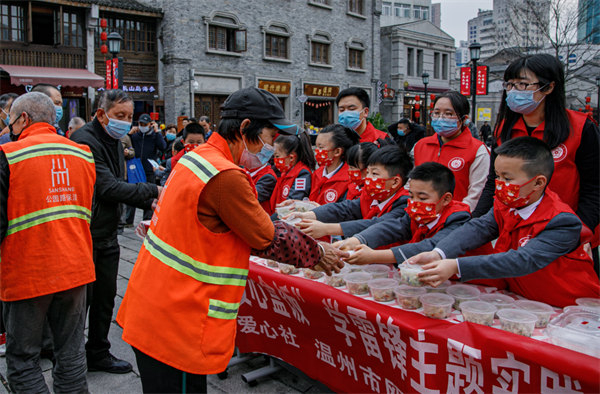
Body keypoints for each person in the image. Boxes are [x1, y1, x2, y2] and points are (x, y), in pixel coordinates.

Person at [116, 87, 345, 393]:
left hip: (156, 305)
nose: (271, 146)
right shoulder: (224, 174)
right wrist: (317, 253)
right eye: (269, 136)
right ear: (246, 128)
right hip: (176, 321)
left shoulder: (196, 158)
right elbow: (267, 236)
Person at [412, 137, 600, 307]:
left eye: (507, 178)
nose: (499, 183)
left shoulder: (562, 222)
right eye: (497, 176)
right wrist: (439, 253)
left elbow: (523, 260)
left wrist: (457, 266)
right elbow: (478, 228)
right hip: (524, 301)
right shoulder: (506, 205)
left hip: (568, 306)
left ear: (538, 182)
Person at [0, 92, 96, 392]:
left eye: (10, 121)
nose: (9, 127)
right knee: (71, 352)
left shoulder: (9, 155)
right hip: (76, 267)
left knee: (23, 358)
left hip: (28, 271)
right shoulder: (82, 153)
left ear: (23, 119)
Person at [472, 54, 600, 274]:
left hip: (569, 238)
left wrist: (578, 232)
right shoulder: (505, 129)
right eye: (510, 84)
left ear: (549, 87)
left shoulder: (581, 128)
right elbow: (493, 182)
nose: (514, 91)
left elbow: (595, 188)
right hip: (517, 233)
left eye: (522, 84)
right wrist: (473, 224)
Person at [70, 89, 160, 374]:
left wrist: (149, 200)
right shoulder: (85, 140)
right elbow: (106, 187)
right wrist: (154, 191)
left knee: (105, 297)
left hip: (107, 231)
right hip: (88, 233)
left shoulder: (114, 138)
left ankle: (98, 351)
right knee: (79, 302)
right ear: (101, 114)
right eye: (119, 116)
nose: (125, 121)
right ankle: (69, 358)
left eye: (129, 117)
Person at [344, 162, 475, 264]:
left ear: (446, 199)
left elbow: (430, 246)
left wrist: (374, 256)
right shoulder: (416, 214)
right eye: (411, 196)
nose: (415, 202)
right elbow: (391, 227)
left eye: (422, 198)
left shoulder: (459, 218)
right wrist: (358, 239)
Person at [295, 145, 412, 240]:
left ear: (395, 181)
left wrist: (326, 228)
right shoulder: (370, 197)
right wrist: (310, 214)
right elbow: (345, 208)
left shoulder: (404, 203)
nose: (367, 178)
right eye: (368, 173)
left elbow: (376, 225)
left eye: (374, 174)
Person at [412, 91, 489, 211]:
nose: (441, 118)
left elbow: (476, 194)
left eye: (448, 114)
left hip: (456, 220)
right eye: (436, 113)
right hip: (420, 215)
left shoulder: (477, 150)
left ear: (464, 119)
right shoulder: (421, 145)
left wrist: (455, 216)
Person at [309, 124, 359, 204]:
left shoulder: (349, 179)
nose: (317, 151)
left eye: (321, 147)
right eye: (316, 146)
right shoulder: (317, 173)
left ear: (337, 151)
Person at [269, 131, 316, 213]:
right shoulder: (285, 173)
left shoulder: (302, 174)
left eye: (277, 156)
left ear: (291, 157)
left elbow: (294, 201)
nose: (275, 160)